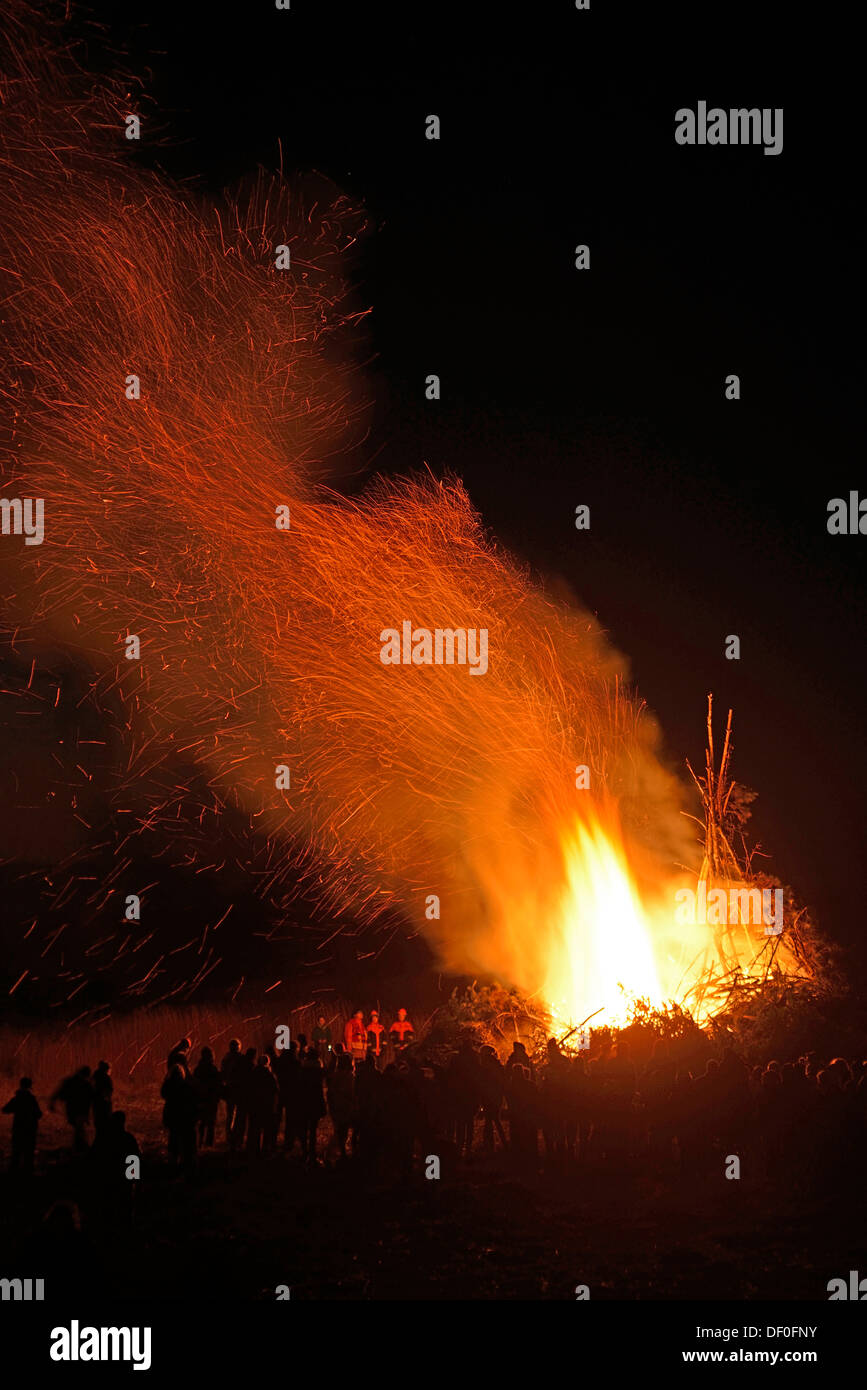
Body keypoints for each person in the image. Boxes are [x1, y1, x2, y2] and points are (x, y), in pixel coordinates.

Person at [160, 1063, 197, 1175]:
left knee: (174, 1138)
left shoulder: (168, 1085)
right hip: (183, 1116)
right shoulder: (186, 1086)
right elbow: (191, 1100)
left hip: (173, 1115)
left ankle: (173, 1160)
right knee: (184, 1139)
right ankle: (184, 1162)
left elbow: (163, 1094)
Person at [3, 1076, 42, 1174]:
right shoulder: (32, 1099)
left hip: (18, 1129)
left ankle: (13, 1173)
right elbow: (39, 1114)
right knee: (29, 1153)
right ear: (30, 1086)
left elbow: (5, 1109)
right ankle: (28, 1173)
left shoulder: (17, 1098)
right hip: (30, 1130)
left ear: (20, 1085)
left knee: (16, 1151)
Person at [50, 1066, 94, 1151]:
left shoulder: (71, 1081)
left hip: (72, 1109)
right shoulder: (84, 1084)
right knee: (79, 1128)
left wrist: (52, 1102)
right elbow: (91, 1097)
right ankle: (80, 1147)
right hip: (78, 1109)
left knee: (78, 1128)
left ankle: (79, 1146)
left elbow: (58, 1092)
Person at [247, 1055, 279, 1157]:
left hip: (255, 1104)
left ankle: (253, 1147)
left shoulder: (253, 1073)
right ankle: (265, 1148)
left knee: (254, 1126)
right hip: (266, 1104)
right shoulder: (269, 1075)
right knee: (266, 1127)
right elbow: (275, 1089)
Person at [193, 1046, 221, 1148]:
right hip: (211, 1099)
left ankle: (199, 1141)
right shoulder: (213, 1069)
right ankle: (209, 1143)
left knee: (202, 1122)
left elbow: (194, 1083)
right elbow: (217, 1084)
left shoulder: (198, 1069)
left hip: (201, 1099)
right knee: (211, 1123)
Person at [219, 1038, 243, 1143]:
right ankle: (235, 1136)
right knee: (238, 1114)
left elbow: (223, 1074)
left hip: (230, 1088)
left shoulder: (226, 1059)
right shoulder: (241, 1059)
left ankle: (229, 1135)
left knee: (230, 1113)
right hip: (238, 1089)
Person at [92, 1060, 113, 1135]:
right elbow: (109, 1090)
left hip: (96, 1102)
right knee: (105, 1121)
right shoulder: (106, 1077)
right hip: (104, 1102)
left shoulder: (94, 1076)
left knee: (98, 1121)